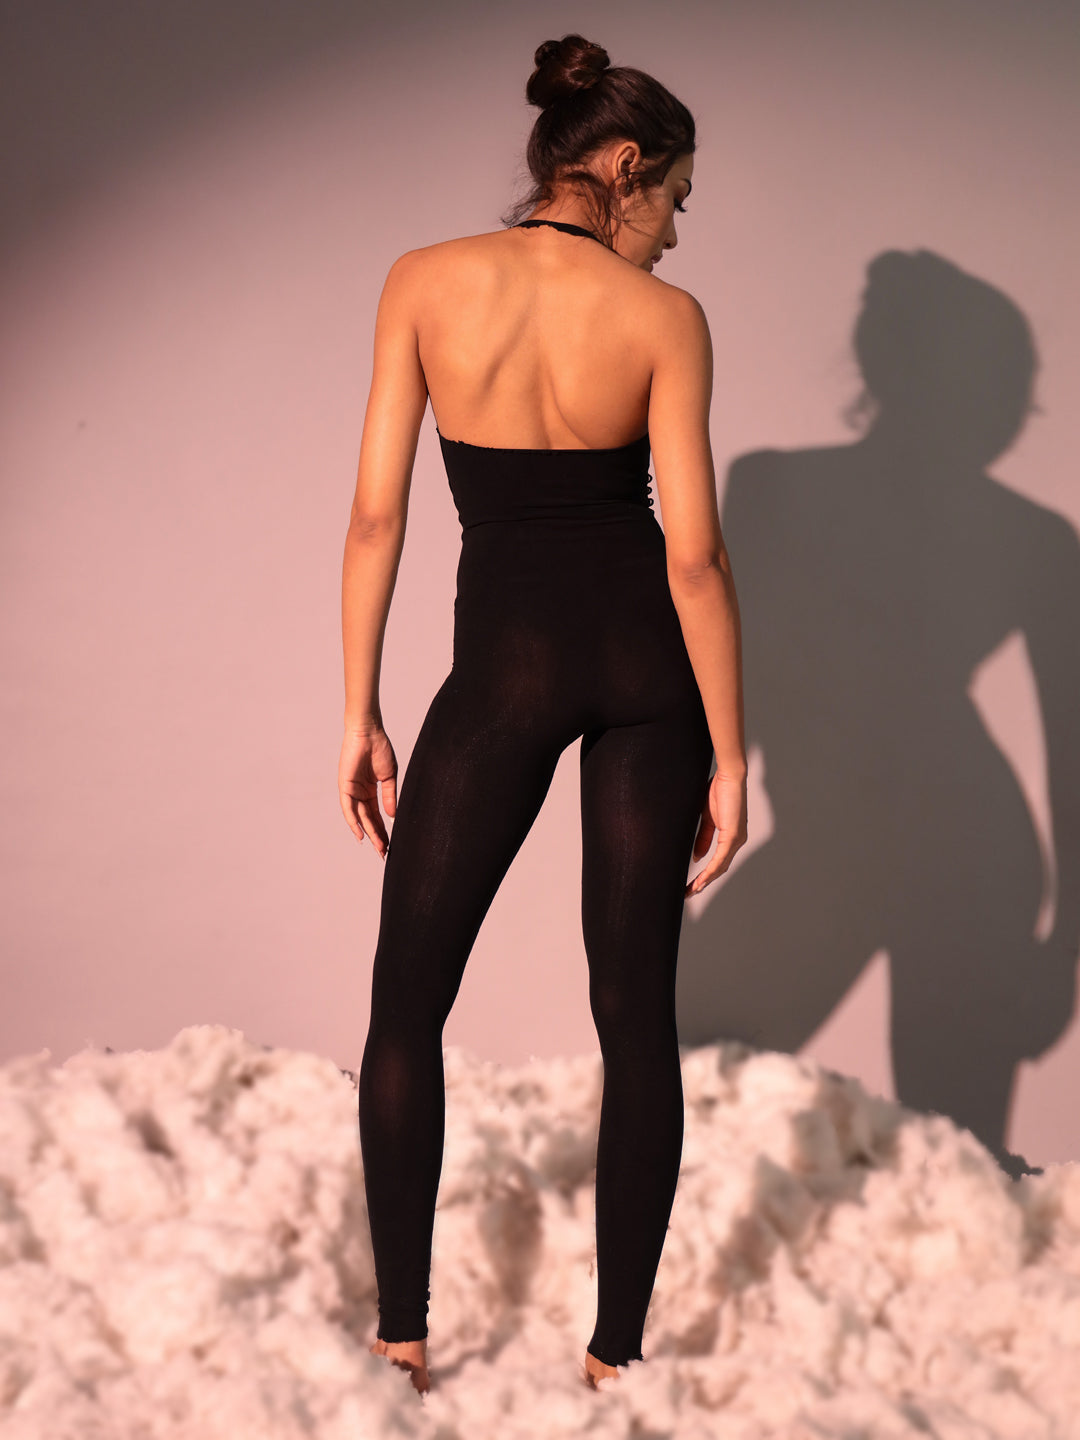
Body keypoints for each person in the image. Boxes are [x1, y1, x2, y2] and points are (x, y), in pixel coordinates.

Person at [339, 33, 747, 1397]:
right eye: (673, 195)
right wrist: (732, 752)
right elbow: (696, 559)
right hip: (649, 682)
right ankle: (616, 1355)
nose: (674, 228)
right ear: (623, 166)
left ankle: (403, 1335)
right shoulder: (666, 320)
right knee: (636, 1016)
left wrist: (361, 709)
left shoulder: (422, 280)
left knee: (406, 1003)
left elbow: (377, 517)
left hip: (500, 677)